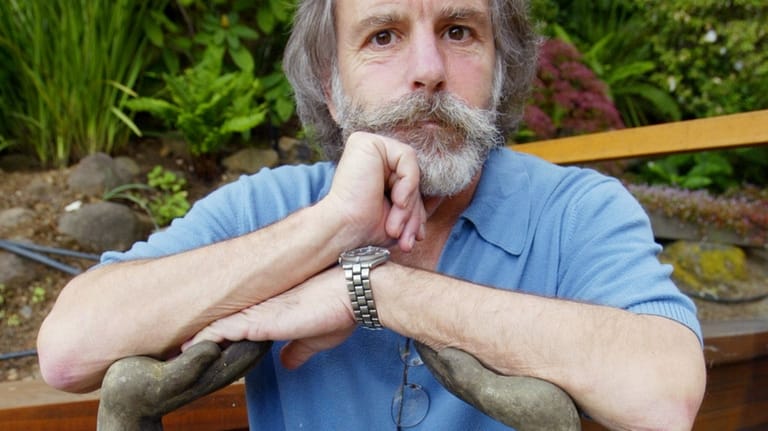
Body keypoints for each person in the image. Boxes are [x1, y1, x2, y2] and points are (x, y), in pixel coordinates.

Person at [37, 0, 706, 429]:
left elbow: (665, 396)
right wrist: (332, 227)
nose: (429, 70)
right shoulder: (273, 206)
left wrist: (372, 289)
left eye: (458, 31)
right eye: (383, 36)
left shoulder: (576, 211)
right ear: (332, 87)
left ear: (499, 69)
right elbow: (67, 352)